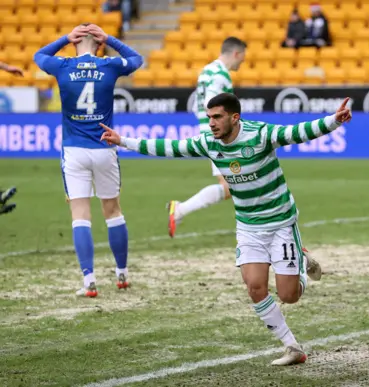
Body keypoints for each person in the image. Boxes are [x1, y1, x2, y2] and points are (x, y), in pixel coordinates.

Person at [99, 93, 352, 366]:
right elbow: (169, 146)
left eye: (217, 117)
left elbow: (297, 132)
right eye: (209, 117)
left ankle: (300, 262)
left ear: (234, 117)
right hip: (248, 226)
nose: (211, 123)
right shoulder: (209, 142)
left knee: (288, 296)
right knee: (255, 287)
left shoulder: (261, 135)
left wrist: (333, 121)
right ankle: (292, 347)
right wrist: (122, 140)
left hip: (280, 223)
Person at [33, 24, 143, 297]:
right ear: (100, 45)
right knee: (113, 211)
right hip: (105, 147)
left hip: (74, 150)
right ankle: (122, 275)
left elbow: (38, 56)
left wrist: (63, 38)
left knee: (80, 215)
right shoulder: (108, 66)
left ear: (74, 44)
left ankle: (89, 281)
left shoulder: (63, 65)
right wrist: (112, 39)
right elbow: (137, 59)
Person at [166, 37, 246, 238]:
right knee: (236, 184)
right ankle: (180, 209)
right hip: (219, 137)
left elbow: (197, 106)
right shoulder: (220, 75)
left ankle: (180, 210)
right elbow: (212, 102)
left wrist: (206, 125)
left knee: (232, 185)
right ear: (236, 53)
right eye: (242, 57)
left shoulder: (206, 71)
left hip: (210, 133)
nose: (242, 61)